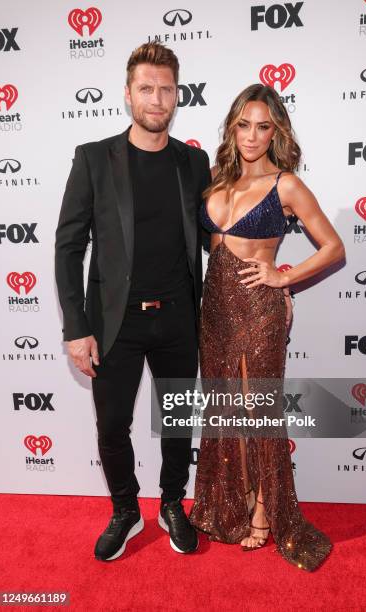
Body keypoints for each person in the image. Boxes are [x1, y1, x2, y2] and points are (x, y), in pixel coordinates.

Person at [55, 42, 211, 561]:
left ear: (177, 95)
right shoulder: (95, 158)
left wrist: (273, 280)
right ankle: (125, 509)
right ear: (128, 94)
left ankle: (171, 503)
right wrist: (76, 328)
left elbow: (218, 238)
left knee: (176, 422)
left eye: (166, 89)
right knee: (111, 426)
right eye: (146, 88)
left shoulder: (194, 162)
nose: (157, 98)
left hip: (179, 320)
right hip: (113, 323)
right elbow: (68, 245)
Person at [189, 84, 345, 571]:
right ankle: (229, 502)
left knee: (257, 409)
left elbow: (333, 248)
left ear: (275, 130)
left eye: (263, 126)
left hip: (259, 308)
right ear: (231, 127)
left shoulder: (287, 185)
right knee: (226, 409)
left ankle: (263, 511)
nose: (252, 136)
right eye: (243, 124)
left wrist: (285, 279)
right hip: (213, 310)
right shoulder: (216, 179)